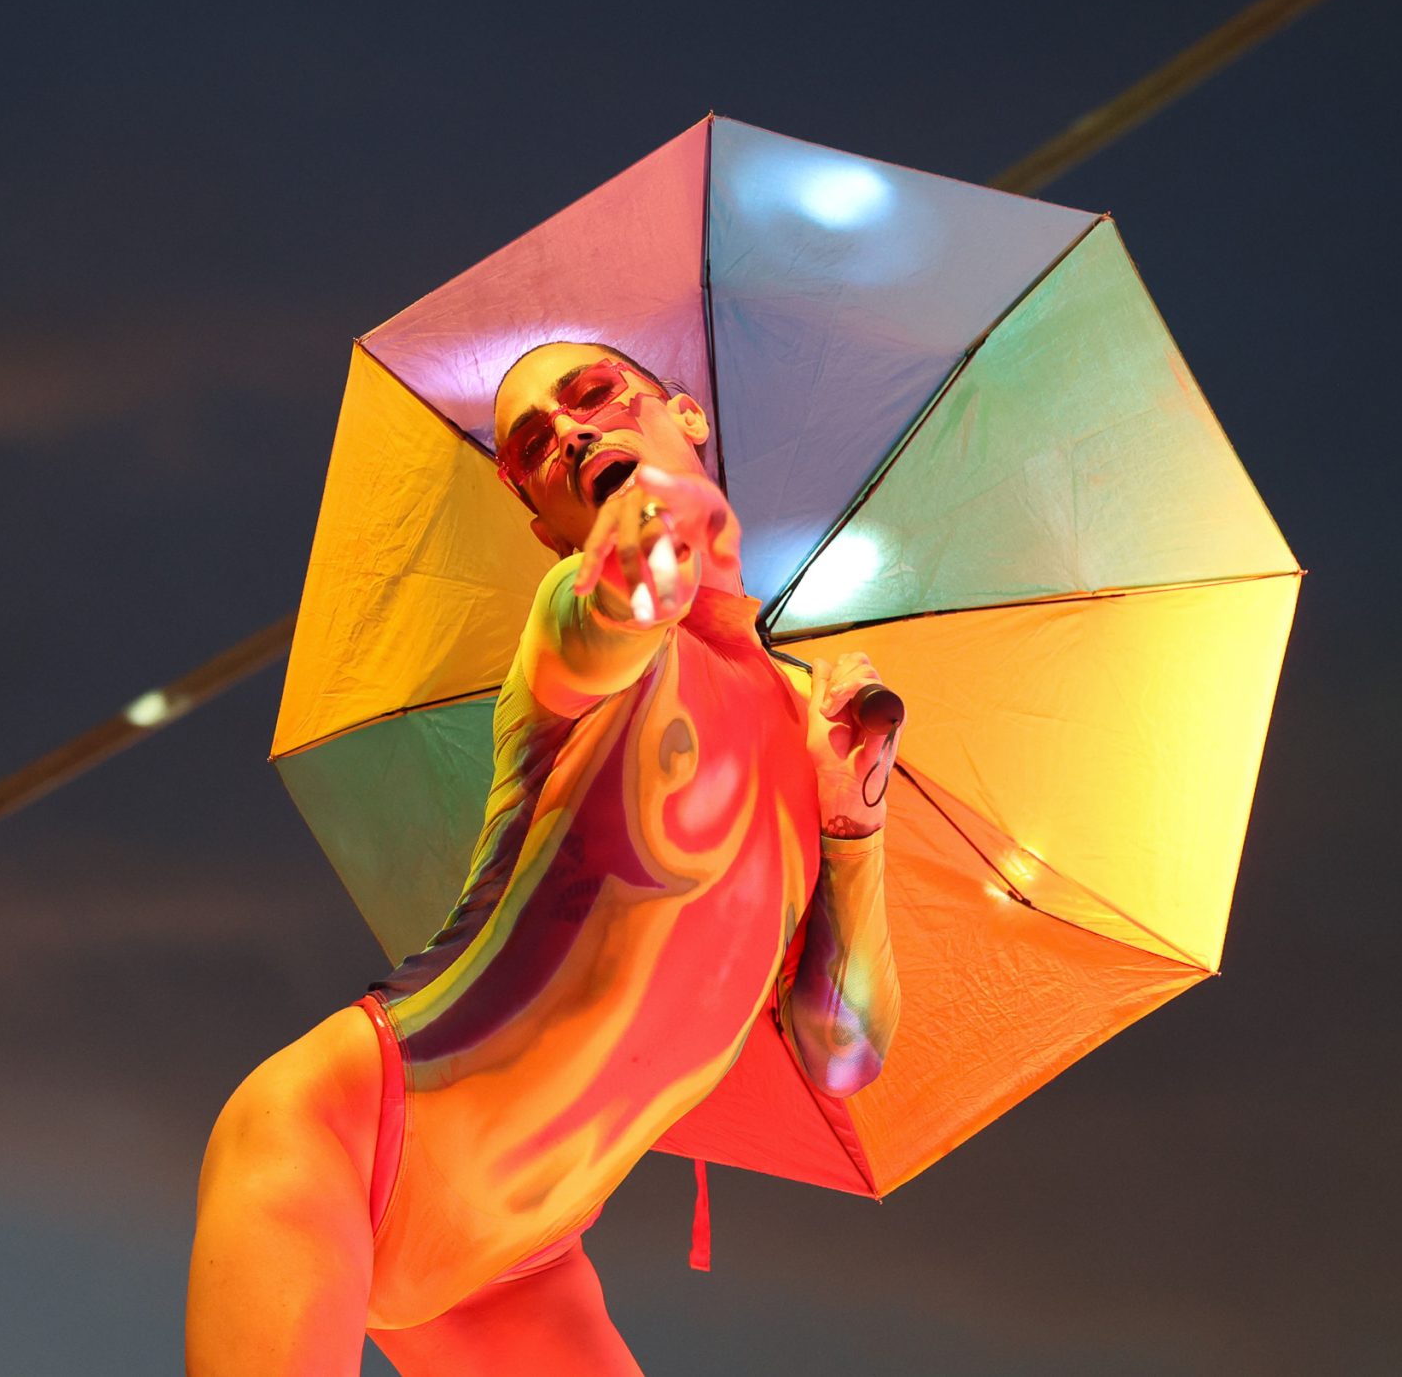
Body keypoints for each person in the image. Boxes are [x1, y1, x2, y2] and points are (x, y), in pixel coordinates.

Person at [187, 341, 902, 1377]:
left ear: (687, 415)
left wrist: (854, 828)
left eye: (594, 397)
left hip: (517, 1268)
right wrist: (663, 530)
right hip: (341, 1138)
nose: (570, 431)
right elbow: (613, 607)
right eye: (534, 443)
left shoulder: (811, 734)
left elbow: (845, 1056)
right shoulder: (575, 645)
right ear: (543, 525)